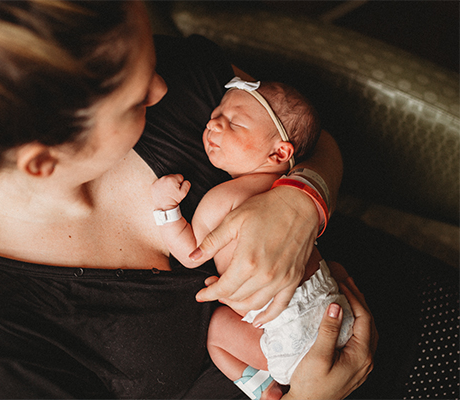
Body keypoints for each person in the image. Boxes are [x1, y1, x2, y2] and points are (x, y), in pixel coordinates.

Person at [0, 1, 376, 398]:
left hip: (389, 291)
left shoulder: (170, 78)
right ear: (43, 156)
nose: (162, 89)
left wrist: (303, 201)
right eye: (137, 99)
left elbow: (314, 141)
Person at [151, 77, 355, 399]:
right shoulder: (286, 187)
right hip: (338, 312)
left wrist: (165, 209)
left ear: (278, 153)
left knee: (217, 331)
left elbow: (193, 254)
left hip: (289, 336)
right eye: (217, 112)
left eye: (234, 122)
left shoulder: (222, 201)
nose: (213, 122)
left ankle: (263, 390)